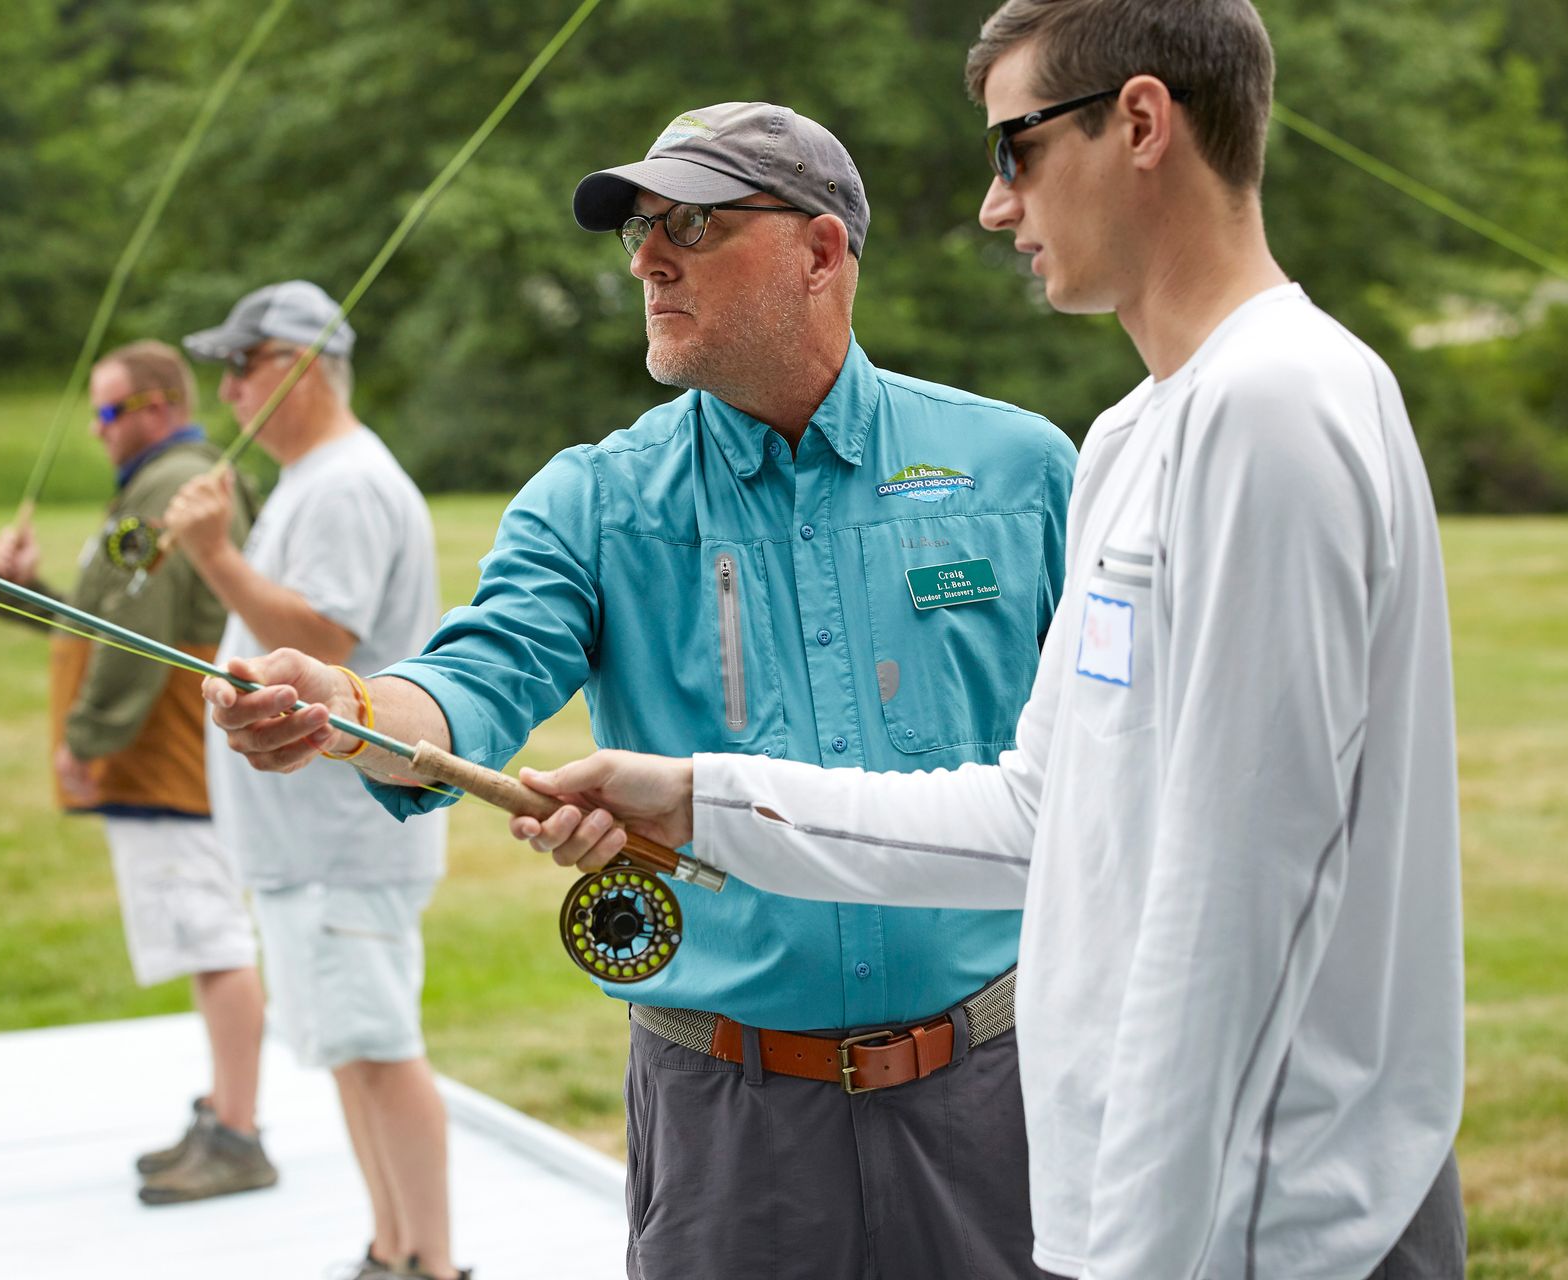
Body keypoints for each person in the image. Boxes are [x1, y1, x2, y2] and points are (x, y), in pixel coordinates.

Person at [499, 4, 1471, 1277]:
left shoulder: (1275, 406)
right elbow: (1038, 813)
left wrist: (1131, 1251)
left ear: (1139, 122)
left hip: (1270, 1224)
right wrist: (693, 796)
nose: (993, 207)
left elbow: (1239, 907)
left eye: (1015, 148)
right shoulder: (1137, 434)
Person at [204, 109, 1078, 1279]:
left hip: (996, 1102)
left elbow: (1129, 772)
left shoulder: (1024, 471)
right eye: (637, 231)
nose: (646, 257)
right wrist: (346, 702)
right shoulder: (594, 499)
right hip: (730, 1128)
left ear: (822, 253)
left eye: (693, 223)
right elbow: (468, 683)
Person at [161, 281, 459, 1280]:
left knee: (382, 1049)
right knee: (350, 1050)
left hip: (346, 839)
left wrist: (212, 554)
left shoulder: (346, 484)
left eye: (240, 366)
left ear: (293, 364)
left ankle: (434, 1258)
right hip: (310, 846)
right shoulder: (314, 478)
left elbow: (321, 636)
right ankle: (392, 1248)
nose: (227, 390)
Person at [0, 339, 274, 1205]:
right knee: (199, 933)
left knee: (210, 934)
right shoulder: (156, 488)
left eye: (109, 413)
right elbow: (104, 607)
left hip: (166, 753)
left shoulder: (165, 488)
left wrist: (90, 737)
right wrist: (15, 590)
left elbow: (133, 631)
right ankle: (222, 1111)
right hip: (163, 752)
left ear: (153, 406)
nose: (98, 430)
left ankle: (238, 1134)